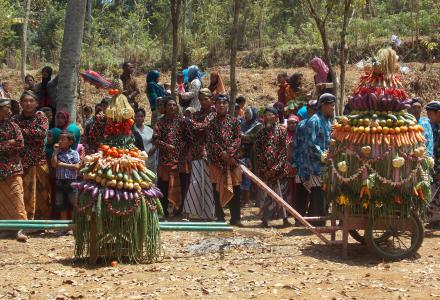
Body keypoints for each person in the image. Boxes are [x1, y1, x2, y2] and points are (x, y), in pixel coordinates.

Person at [12, 90, 49, 220]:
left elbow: (41, 134)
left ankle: (40, 223)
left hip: (39, 161)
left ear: (37, 103)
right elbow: (14, 138)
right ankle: (24, 222)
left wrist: (21, 132)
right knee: (23, 194)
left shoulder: (41, 117)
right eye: (25, 101)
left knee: (41, 194)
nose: (28, 103)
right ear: (21, 103)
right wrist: (25, 135)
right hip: (21, 163)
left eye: (31, 101)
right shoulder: (15, 119)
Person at [206, 94, 242, 226]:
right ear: (215, 105)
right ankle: (220, 217)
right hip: (217, 162)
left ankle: (236, 218)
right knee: (217, 189)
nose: (221, 105)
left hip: (233, 161)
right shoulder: (211, 123)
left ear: (228, 105)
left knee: (236, 189)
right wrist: (223, 154)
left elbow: (238, 138)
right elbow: (211, 141)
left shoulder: (234, 121)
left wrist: (230, 153)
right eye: (219, 103)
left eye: (224, 102)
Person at [301, 93, 335, 226]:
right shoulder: (314, 121)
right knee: (317, 194)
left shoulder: (328, 120)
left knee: (324, 193)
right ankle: (316, 223)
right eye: (331, 105)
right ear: (323, 105)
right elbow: (311, 143)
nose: (333, 108)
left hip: (326, 164)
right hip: (316, 165)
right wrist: (323, 155)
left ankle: (322, 219)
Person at [182, 88, 216, 220]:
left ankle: (208, 213)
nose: (203, 102)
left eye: (205, 99)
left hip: (209, 152)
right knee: (195, 181)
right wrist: (192, 123)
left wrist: (190, 122)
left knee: (207, 182)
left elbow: (202, 126)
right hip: (197, 152)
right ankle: (190, 211)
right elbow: (192, 128)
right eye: (201, 100)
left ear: (211, 100)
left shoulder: (213, 114)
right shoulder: (197, 114)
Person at [255, 106, 290, 227]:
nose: (268, 117)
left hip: (280, 169)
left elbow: (284, 151)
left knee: (282, 194)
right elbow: (258, 151)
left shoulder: (282, 131)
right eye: (266, 115)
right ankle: (265, 219)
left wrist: (276, 168)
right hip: (265, 170)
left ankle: (285, 218)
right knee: (266, 193)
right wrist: (265, 168)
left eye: (271, 115)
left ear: (276, 117)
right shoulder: (260, 132)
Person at [0, 98, 28, 242]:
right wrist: (8, 143)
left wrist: (4, 144)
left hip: (13, 168)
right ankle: (5, 229)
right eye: (6, 107)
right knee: (2, 201)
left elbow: (20, 143)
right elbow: (13, 143)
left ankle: (19, 229)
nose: (9, 110)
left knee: (17, 198)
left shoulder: (13, 125)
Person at [153, 97, 185, 217]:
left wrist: (181, 149)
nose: (172, 107)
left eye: (174, 105)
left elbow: (187, 138)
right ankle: (163, 211)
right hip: (165, 161)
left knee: (179, 186)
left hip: (179, 160)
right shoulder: (160, 122)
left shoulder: (181, 121)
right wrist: (167, 146)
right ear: (165, 108)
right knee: (164, 186)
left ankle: (178, 210)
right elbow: (155, 140)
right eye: (169, 105)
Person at [292, 100, 318, 222]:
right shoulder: (304, 124)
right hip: (308, 164)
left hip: (308, 164)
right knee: (306, 192)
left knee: (308, 193)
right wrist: (295, 162)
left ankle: (302, 219)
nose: (310, 110)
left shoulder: (302, 124)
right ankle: (303, 219)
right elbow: (296, 144)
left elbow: (295, 145)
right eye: (309, 108)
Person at [52, 131, 80, 221]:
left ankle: (72, 226)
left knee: (74, 204)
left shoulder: (74, 153)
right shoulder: (57, 152)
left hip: (72, 182)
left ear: (70, 142)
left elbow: (77, 166)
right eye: (59, 139)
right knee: (61, 205)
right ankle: (63, 228)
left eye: (63, 139)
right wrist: (55, 153)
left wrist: (61, 164)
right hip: (59, 182)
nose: (60, 141)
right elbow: (54, 164)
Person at [240, 107, 262, 206]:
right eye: (245, 113)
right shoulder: (243, 124)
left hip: (255, 153)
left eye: (248, 113)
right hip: (244, 153)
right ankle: (245, 200)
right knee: (245, 176)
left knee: (256, 175)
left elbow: (254, 138)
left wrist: (244, 137)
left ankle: (257, 199)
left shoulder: (258, 125)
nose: (246, 115)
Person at [426, 101, 440, 228]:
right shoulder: (433, 126)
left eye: (431, 114)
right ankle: (434, 219)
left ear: (438, 113)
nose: (429, 117)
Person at [132, 108, 157, 172]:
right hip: (138, 159)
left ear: (144, 117)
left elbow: (155, 143)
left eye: (141, 116)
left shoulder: (150, 130)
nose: (139, 118)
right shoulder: (131, 130)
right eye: (137, 116)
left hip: (151, 158)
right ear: (134, 117)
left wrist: (151, 152)